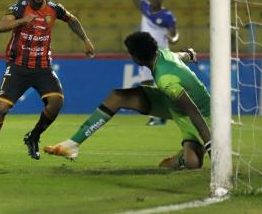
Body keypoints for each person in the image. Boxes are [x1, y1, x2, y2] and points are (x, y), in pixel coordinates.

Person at [45, 31, 211, 170]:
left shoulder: (165, 79)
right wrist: (189, 54)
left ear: (137, 59)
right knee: (118, 97)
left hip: (199, 116)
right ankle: (72, 145)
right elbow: (178, 55)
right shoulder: (162, 53)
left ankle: (184, 157)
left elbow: (193, 111)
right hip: (173, 102)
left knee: (192, 163)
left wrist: (213, 148)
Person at [0, 0, 96, 165]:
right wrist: (20, 21)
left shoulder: (54, 9)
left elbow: (73, 20)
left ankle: (33, 136)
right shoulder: (20, 7)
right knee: (1, 108)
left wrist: (85, 40)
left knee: (56, 102)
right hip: (18, 66)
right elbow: (1, 26)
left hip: (42, 66)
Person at [129, 0, 179, 126]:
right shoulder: (146, 8)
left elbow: (174, 33)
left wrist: (173, 39)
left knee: (162, 84)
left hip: (160, 53)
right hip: (145, 52)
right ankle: (157, 115)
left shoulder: (167, 16)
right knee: (146, 84)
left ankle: (162, 114)